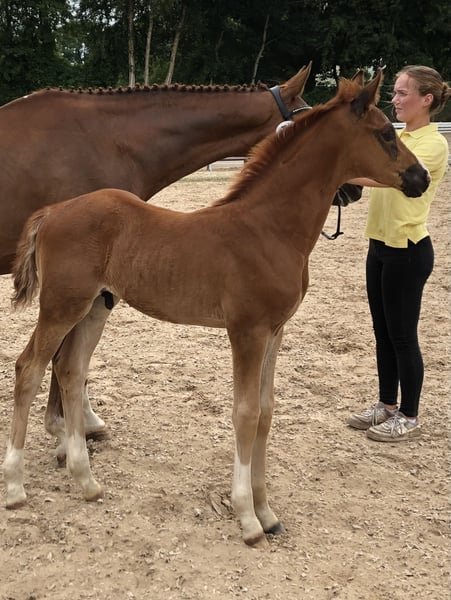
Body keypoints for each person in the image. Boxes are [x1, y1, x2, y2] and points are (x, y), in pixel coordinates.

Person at [347, 65, 451, 442]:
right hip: (380, 244)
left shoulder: (432, 144)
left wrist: (337, 174)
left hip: (407, 249)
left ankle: (409, 415)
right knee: (383, 332)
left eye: (403, 92)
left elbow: (390, 177)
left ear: (426, 99)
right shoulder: (401, 135)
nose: (394, 99)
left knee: (403, 336)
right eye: (395, 92)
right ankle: (387, 404)